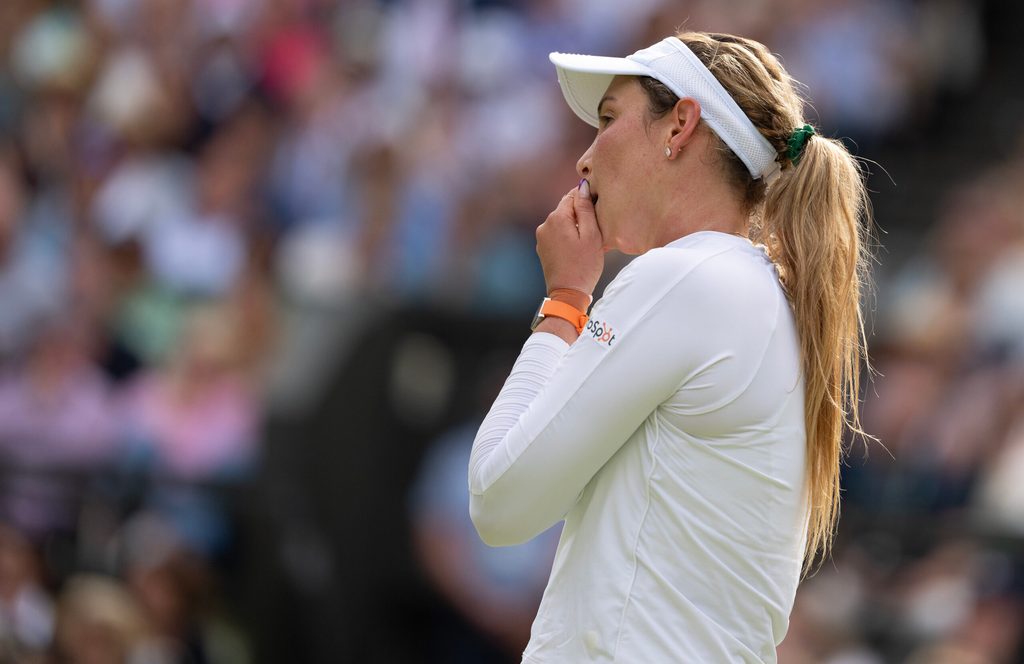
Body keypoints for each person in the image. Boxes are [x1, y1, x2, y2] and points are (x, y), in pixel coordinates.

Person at [467, 31, 871, 662]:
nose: (585, 160)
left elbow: (499, 502)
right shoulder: (754, 293)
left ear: (680, 124)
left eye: (607, 120)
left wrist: (567, 300)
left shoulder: (686, 277)